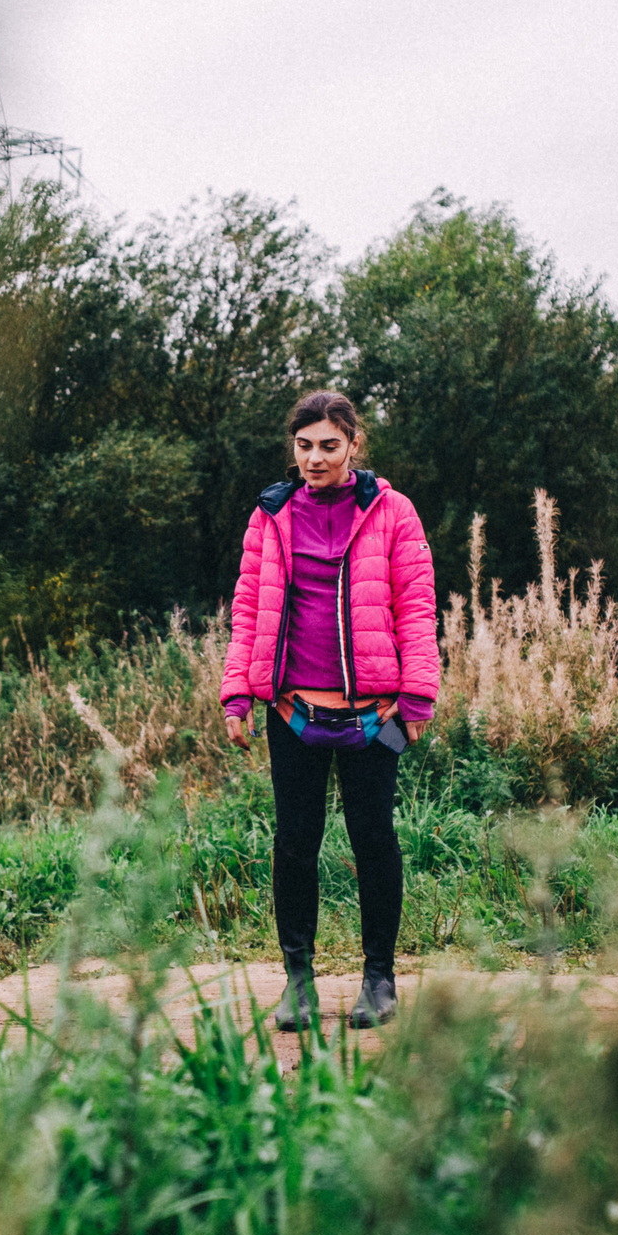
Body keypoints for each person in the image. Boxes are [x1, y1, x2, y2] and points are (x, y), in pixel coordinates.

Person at [220, 391, 437, 1032]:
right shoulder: (270, 514)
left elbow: (416, 605)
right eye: (304, 445)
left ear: (353, 445)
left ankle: (379, 980)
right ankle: (299, 983)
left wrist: (418, 695)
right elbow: (247, 606)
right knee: (294, 844)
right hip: (293, 712)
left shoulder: (394, 512)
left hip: (376, 717)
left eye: (329, 446)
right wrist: (237, 693)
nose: (314, 458)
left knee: (374, 840)